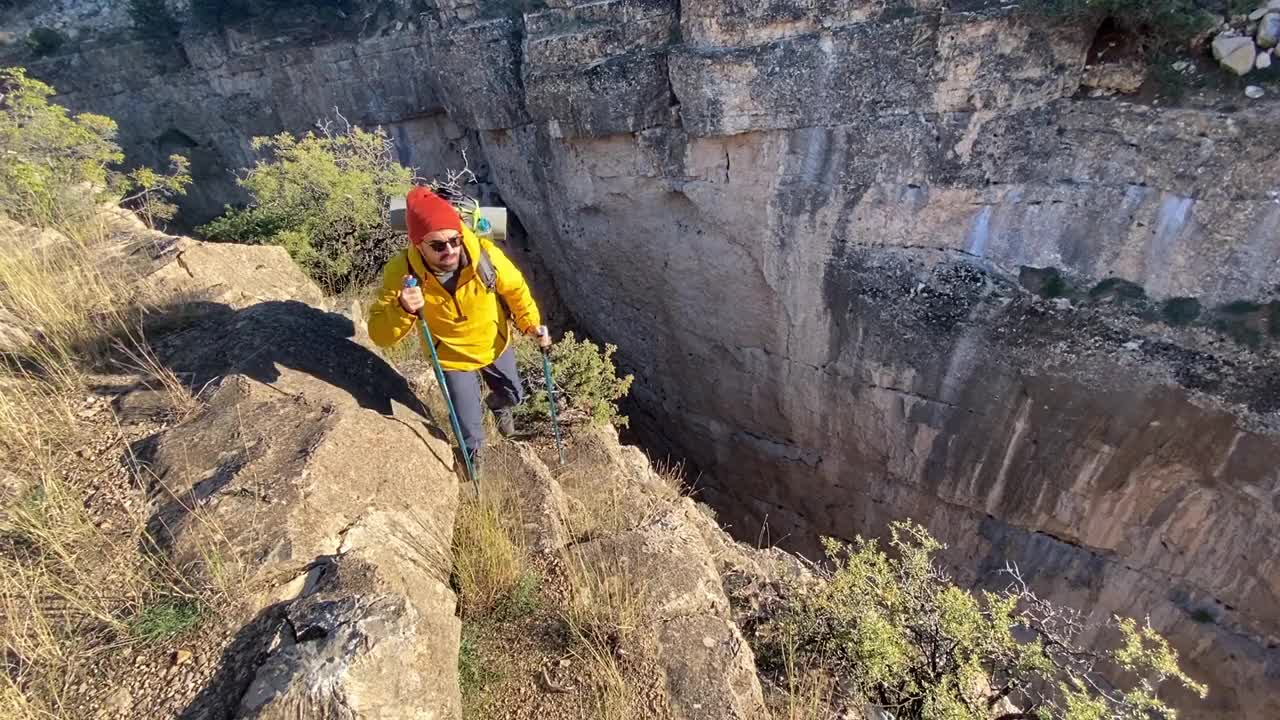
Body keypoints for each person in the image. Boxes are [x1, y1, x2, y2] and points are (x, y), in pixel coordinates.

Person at [368, 187, 550, 471]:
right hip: (451, 357)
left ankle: (499, 407)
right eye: (438, 245)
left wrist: (531, 325)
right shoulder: (402, 272)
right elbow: (379, 334)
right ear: (418, 244)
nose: (450, 250)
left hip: (493, 343)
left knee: (514, 395)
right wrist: (403, 308)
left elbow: (516, 290)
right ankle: (478, 480)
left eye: (454, 240)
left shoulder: (485, 256)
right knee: (471, 434)